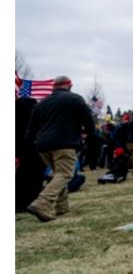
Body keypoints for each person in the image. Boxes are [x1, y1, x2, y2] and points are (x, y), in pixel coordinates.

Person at [24, 76, 95, 222]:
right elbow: (88, 120)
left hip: (43, 146)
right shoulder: (75, 99)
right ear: (69, 85)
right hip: (64, 143)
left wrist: (32, 144)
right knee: (64, 174)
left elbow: (30, 129)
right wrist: (91, 138)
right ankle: (41, 203)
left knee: (58, 174)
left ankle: (62, 207)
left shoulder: (41, 103)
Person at [15, 96, 45, 213]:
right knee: (34, 176)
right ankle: (30, 201)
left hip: (20, 149)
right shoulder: (34, 115)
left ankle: (19, 202)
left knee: (21, 176)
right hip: (34, 148)